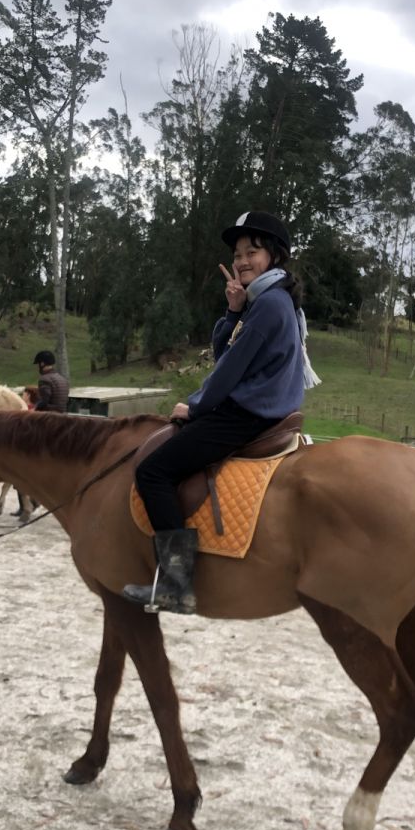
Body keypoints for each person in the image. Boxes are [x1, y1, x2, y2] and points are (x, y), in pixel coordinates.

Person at [122, 210, 320, 615]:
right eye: (237, 254)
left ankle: (177, 585)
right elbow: (227, 351)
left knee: (153, 472)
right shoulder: (268, 300)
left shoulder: (269, 305)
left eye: (252, 252)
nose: (242, 261)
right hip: (259, 410)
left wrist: (195, 407)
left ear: (275, 256)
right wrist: (233, 310)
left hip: (245, 414)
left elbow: (227, 371)